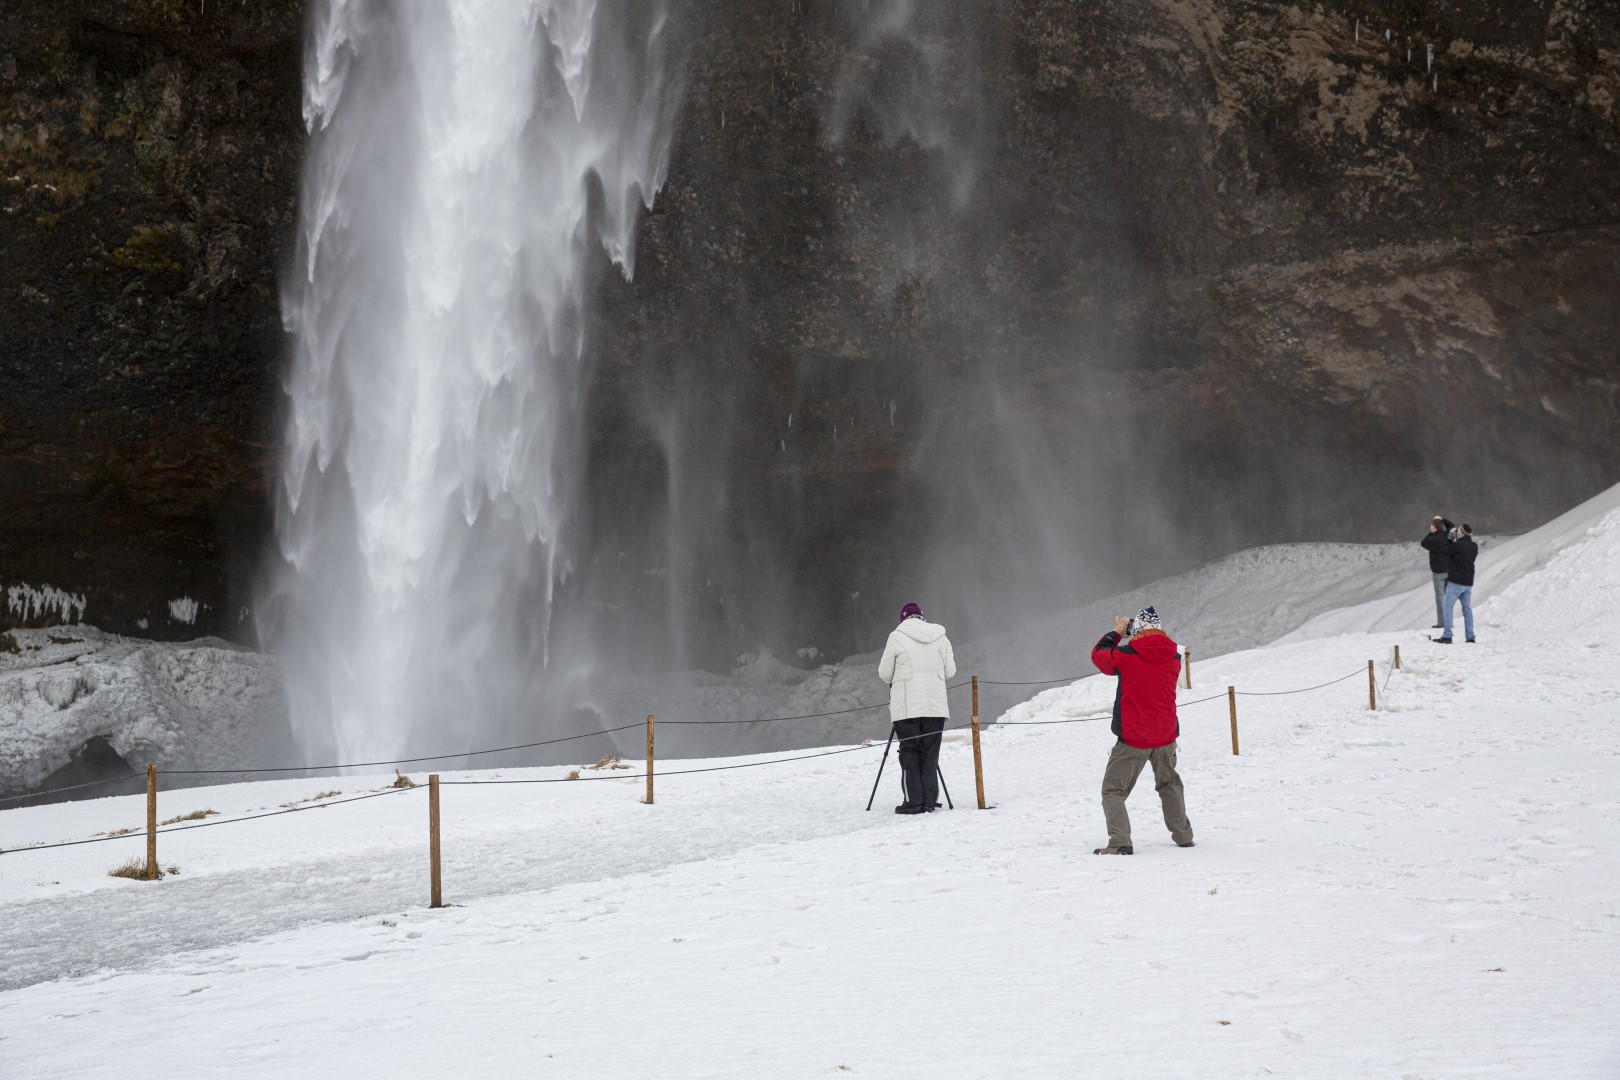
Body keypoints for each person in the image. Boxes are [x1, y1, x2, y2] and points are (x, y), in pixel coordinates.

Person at [1088, 606, 1194, 854]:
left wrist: (1116, 634)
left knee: (1113, 790)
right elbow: (1154, 648)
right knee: (1170, 785)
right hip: (1166, 735)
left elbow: (1099, 656)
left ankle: (1120, 842)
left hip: (1133, 738)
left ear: (1135, 631)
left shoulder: (1126, 656)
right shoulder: (1174, 657)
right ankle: (1183, 837)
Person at [878, 602, 956, 814]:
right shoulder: (941, 636)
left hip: (906, 707)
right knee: (930, 753)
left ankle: (913, 802)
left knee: (909, 751)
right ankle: (929, 801)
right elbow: (951, 671)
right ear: (922, 617)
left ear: (903, 619)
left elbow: (885, 674)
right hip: (935, 707)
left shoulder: (896, 636)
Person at [1435, 523, 1478, 644]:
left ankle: (1447, 635)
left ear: (1460, 533)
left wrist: (1449, 538)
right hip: (1468, 582)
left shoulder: (1458, 545)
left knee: (1448, 608)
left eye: (1457, 532)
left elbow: (1443, 552)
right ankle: (1470, 636)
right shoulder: (1474, 546)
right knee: (1467, 610)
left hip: (1455, 583)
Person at [1420, 515, 1455, 629]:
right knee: (1449, 597)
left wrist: (1432, 533)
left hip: (1438, 573)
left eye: (1431, 525)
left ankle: (1442, 622)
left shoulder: (1431, 539)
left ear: (1434, 527)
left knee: (1440, 598)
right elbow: (1452, 526)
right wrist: (1443, 519)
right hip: (1449, 570)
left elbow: (1423, 543)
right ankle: (1449, 622)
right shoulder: (1447, 536)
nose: (1430, 527)